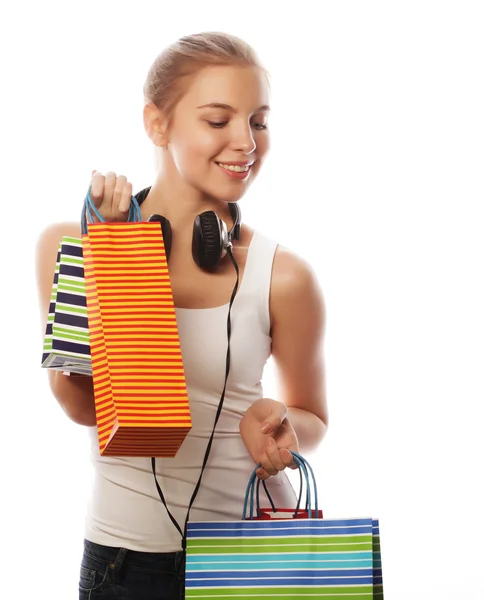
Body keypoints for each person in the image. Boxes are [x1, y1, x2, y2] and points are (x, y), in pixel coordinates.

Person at [35, 31, 328, 600]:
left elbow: (312, 417)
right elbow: (79, 406)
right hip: (126, 563)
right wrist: (117, 261)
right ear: (157, 123)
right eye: (218, 121)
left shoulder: (285, 275)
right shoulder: (72, 244)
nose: (245, 142)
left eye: (259, 122)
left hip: (254, 557)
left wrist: (282, 425)